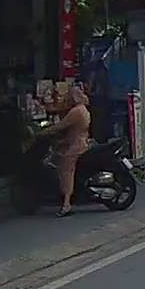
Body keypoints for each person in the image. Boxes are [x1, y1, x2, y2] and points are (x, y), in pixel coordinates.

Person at [41, 85, 91, 217]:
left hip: (76, 146)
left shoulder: (76, 112)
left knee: (66, 170)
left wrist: (46, 132)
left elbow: (61, 125)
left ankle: (66, 203)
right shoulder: (83, 109)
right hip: (79, 142)